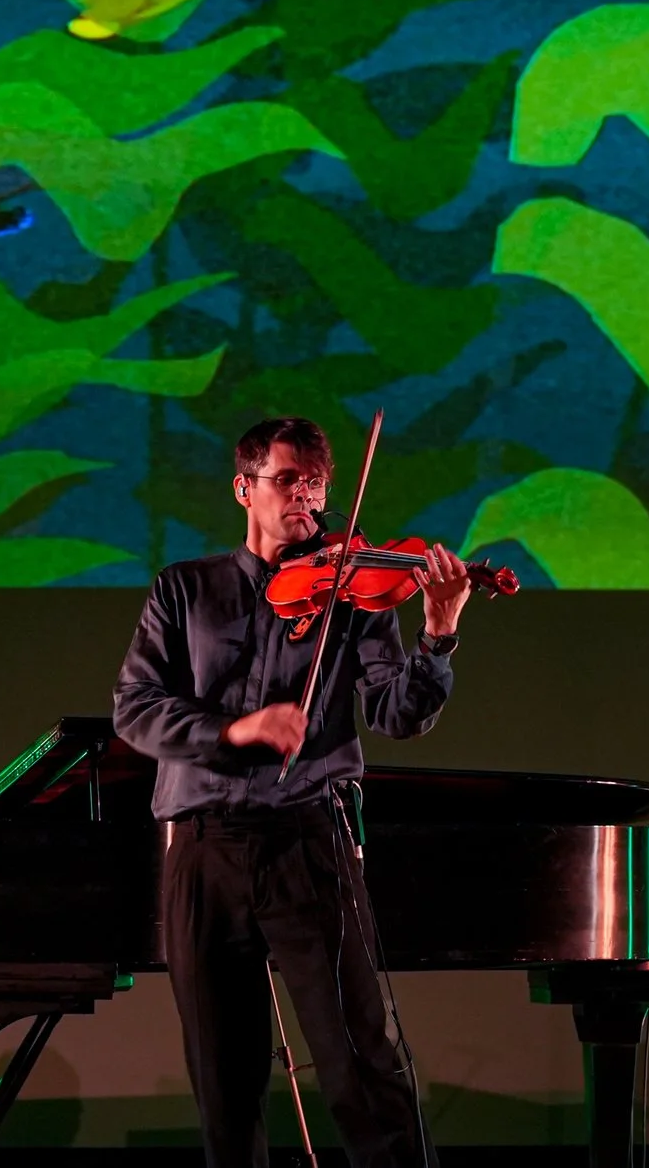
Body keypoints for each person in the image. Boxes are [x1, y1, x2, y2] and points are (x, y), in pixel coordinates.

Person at [113, 417, 474, 1168]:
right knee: (224, 1076)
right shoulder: (185, 589)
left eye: (316, 483)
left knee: (359, 1062)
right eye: (287, 480)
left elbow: (395, 713)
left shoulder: (355, 590)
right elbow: (136, 709)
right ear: (244, 488)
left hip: (306, 839)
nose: (305, 497)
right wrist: (235, 729)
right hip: (202, 850)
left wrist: (438, 634)